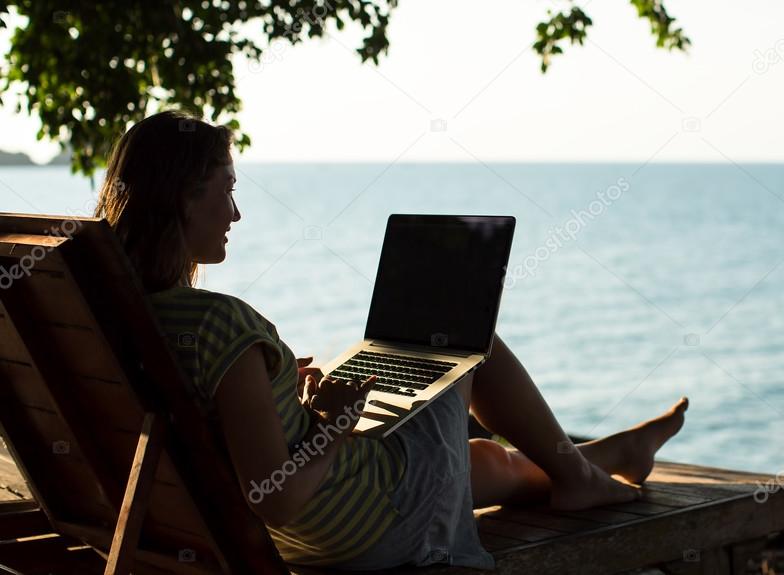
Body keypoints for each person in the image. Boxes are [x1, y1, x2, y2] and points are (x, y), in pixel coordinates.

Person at [93, 111, 689, 570]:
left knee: (478, 459)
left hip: (311, 526)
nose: (237, 213)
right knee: (464, 337)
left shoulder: (118, 318)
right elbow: (273, 496)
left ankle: (605, 460)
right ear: (183, 198)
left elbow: (229, 441)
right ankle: (583, 478)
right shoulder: (221, 325)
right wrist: (334, 423)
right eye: (226, 188)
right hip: (363, 529)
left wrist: (280, 402)